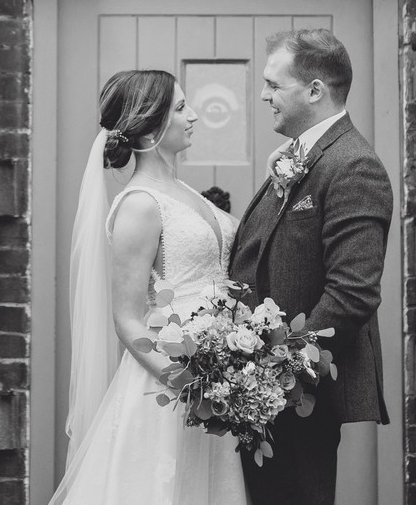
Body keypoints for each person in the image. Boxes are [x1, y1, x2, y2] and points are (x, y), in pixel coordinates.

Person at [52, 70, 248, 505]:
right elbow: (126, 320)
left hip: (215, 386)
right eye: (180, 108)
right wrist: (190, 386)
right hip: (170, 392)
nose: (193, 115)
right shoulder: (140, 205)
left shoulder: (183, 191)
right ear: (150, 125)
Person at [228, 29, 393, 505]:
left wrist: (274, 375)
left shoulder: (353, 165)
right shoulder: (301, 156)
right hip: (261, 391)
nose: (264, 95)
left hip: (299, 395)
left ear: (315, 90)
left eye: (274, 85)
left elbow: (352, 293)